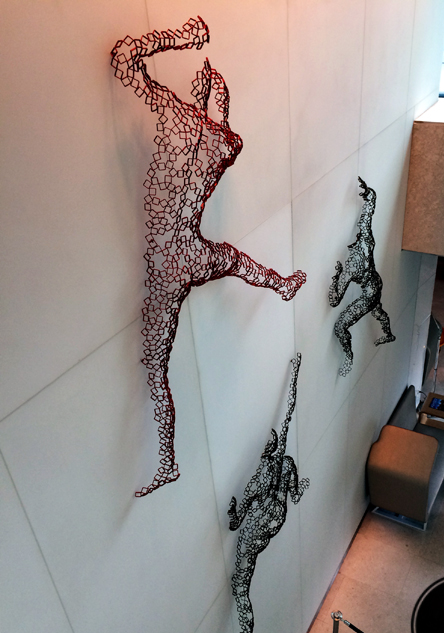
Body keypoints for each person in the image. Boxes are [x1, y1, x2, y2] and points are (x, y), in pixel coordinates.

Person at [111, 18, 306, 496]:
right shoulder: (226, 143)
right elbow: (218, 127)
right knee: (233, 260)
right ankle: (282, 284)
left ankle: (167, 461)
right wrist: (214, 98)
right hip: (192, 253)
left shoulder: (174, 115)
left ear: (199, 93)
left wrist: (179, 38)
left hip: (168, 259)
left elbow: (124, 58)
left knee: (156, 366)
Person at [219, 354, 308, 633]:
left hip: (256, 530)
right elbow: (288, 413)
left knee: (240, 588)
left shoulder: (256, 481)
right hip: (276, 517)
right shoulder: (283, 461)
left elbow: (234, 524)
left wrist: (233, 509)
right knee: (242, 583)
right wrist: (295, 373)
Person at [329, 177, 395, 376]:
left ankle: (348, 356)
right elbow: (367, 215)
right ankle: (388, 334)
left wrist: (336, 278)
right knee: (377, 309)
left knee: (340, 327)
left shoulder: (351, 266)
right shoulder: (366, 240)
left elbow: (334, 300)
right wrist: (369, 195)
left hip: (370, 290)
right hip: (375, 282)